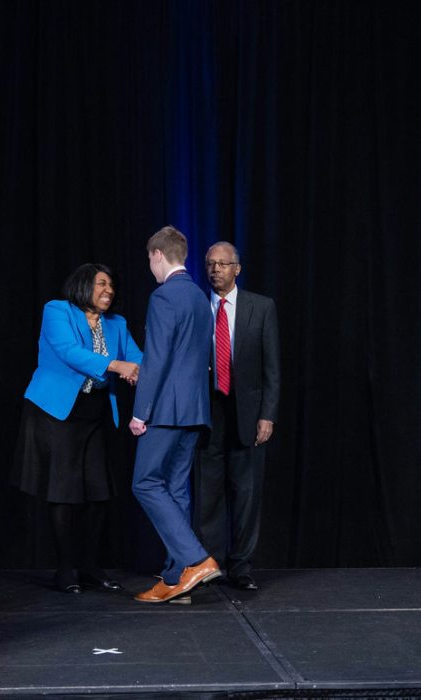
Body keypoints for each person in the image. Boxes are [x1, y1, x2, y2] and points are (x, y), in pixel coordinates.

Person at [14, 263, 142, 593]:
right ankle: (64, 570)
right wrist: (117, 365)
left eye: (111, 285)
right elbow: (69, 352)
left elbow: (137, 358)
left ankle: (89, 567)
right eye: (101, 283)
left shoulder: (117, 323)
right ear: (83, 285)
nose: (109, 290)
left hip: (94, 413)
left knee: (100, 492)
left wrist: (157, 370)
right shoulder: (58, 311)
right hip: (56, 412)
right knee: (63, 491)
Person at [129, 225, 220, 603]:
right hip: (195, 409)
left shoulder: (164, 296)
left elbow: (156, 359)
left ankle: (196, 561)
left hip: (166, 410)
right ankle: (175, 578)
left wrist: (140, 413)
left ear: (157, 254)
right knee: (175, 488)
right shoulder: (200, 296)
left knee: (145, 483)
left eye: (150, 259)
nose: (150, 267)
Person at [194, 242, 279, 591]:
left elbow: (272, 368)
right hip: (206, 412)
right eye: (210, 264)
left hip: (247, 413)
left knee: (246, 494)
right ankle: (209, 566)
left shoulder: (262, 307)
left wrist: (267, 415)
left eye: (223, 264)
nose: (215, 269)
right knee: (207, 495)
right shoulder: (197, 307)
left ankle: (241, 567)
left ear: (237, 269)